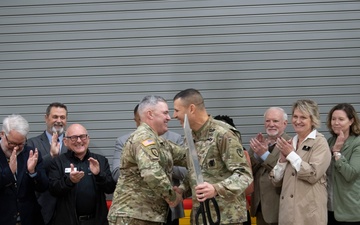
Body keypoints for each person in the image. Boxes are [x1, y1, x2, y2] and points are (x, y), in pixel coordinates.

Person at [172, 88, 253, 225]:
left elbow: (244, 175)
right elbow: (196, 172)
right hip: (201, 216)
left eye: (177, 110)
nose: (174, 115)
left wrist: (216, 188)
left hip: (226, 218)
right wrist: (181, 189)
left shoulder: (223, 134)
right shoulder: (191, 136)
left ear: (191, 108)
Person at [108, 95, 186, 225]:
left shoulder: (159, 141)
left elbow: (185, 156)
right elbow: (152, 173)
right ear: (150, 114)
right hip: (133, 216)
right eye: (165, 113)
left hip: (147, 216)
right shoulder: (143, 139)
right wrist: (174, 197)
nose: (169, 117)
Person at [269, 99, 331, 225]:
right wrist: (281, 160)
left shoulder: (320, 143)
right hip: (287, 215)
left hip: (309, 215)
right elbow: (275, 181)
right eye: (295, 116)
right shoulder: (290, 142)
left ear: (312, 120)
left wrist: (291, 154)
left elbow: (313, 174)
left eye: (303, 117)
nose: (297, 121)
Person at [48, 123, 116, 225]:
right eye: (74, 138)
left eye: (82, 136)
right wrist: (69, 181)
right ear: (65, 142)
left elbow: (110, 188)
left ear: (88, 139)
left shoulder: (100, 160)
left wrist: (98, 175)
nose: (79, 141)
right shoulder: (58, 162)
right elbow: (53, 190)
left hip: (96, 221)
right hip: (68, 221)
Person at [0, 114, 48, 225]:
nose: (15, 148)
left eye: (20, 144)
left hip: (29, 219)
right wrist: (9, 173)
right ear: (2, 134)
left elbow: (43, 186)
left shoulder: (31, 153)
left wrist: (33, 172)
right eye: (12, 143)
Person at [27, 102, 68, 225]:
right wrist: (51, 156)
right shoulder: (31, 144)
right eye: (55, 117)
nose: (59, 121)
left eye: (62, 117)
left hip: (68, 208)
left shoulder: (74, 143)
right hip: (42, 209)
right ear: (46, 118)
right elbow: (30, 172)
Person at [248, 107, 290, 225]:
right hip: (259, 206)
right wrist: (256, 155)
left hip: (278, 208)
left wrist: (264, 155)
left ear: (285, 123)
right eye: (268, 121)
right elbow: (248, 171)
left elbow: (283, 172)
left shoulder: (290, 143)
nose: (271, 124)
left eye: (275, 121)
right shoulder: (258, 143)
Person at [214, 114, 254, 225]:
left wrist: (218, 189)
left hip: (237, 214)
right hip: (213, 214)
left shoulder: (241, 152)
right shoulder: (206, 154)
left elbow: (249, 188)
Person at [326, 103, 360, 224]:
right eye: (333, 119)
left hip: (349, 210)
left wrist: (337, 152)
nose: (336, 122)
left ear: (351, 121)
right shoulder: (329, 141)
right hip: (329, 207)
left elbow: (351, 174)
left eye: (341, 119)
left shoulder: (357, 142)